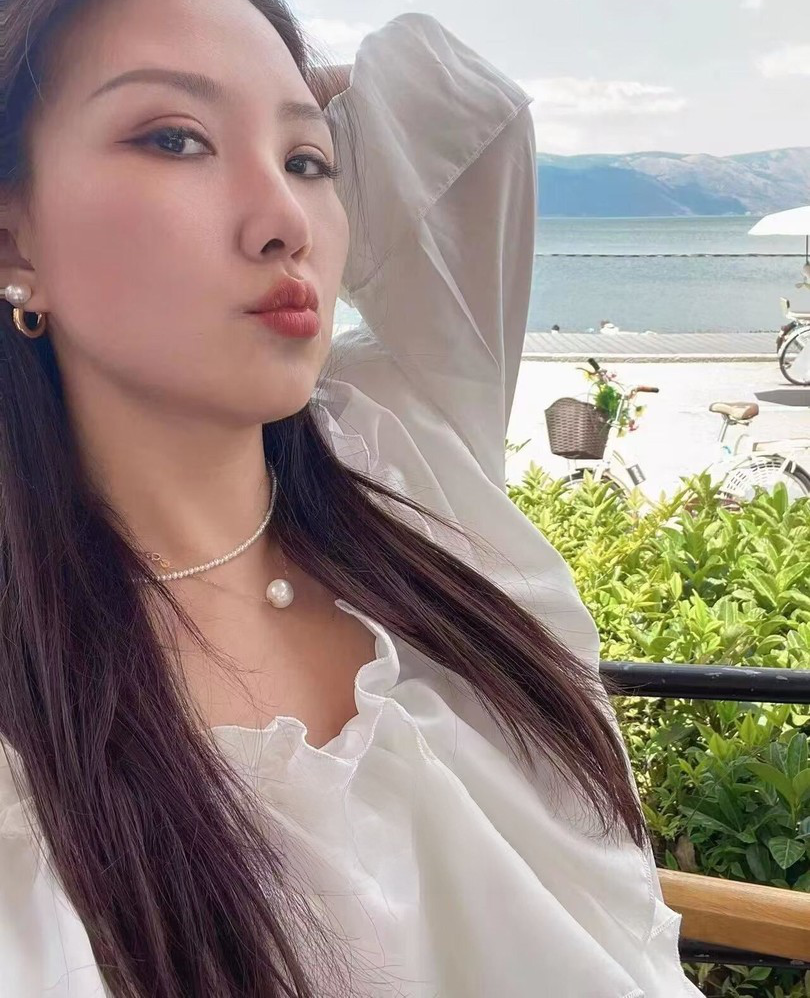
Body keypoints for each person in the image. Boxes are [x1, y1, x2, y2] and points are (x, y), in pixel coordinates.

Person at [0, 2, 700, 995]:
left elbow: (470, 119)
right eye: (174, 139)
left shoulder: (404, 456)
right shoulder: (28, 751)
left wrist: (268, 83)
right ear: (13, 240)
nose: (286, 221)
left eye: (309, 163)